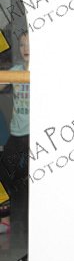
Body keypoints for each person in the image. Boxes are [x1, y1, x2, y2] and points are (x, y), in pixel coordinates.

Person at [0, 29, 30, 242]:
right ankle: (6, 218)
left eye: (29, 44)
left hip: (36, 136)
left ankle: (33, 226)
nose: (25, 49)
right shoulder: (16, 70)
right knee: (4, 174)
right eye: (21, 44)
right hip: (17, 134)